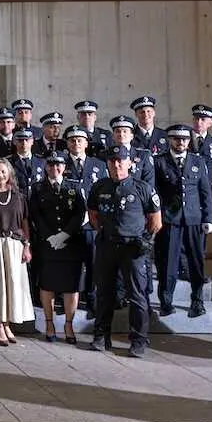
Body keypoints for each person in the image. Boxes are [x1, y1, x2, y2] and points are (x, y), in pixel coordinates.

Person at [87, 146, 162, 358]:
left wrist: (144, 240)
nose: (116, 165)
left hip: (133, 249)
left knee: (137, 296)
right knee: (104, 294)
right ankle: (102, 337)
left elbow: (156, 221)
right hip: (107, 246)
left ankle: (138, 340)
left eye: (121, 161)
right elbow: (93, 215)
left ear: (129, 163)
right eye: (112, 161)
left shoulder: (142, 188)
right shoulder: (99, 187)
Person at [154, 125, 212, 318]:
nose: (181, 143)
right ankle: (166, 302)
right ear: (169, 140)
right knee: (168, 263)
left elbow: (206, 192)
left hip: (194, 220)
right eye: (176, 139)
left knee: (196, 263)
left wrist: (208, 218)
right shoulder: (160, 162)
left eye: (185, 139)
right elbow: (155, 194)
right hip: (170, 221)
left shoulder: (198, 161)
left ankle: (197, 301)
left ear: (189, 141)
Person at [28, 152, 86, 344]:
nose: (54, 169)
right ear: (46, 167)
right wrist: (51, 237)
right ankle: (49, 324)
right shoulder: (37, 188)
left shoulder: (75, 187)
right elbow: (35, 215)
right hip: (47, 244)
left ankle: (68, 325)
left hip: (71, 244)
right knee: (48, 285)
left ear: (64, 167)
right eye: (51, 165)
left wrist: (65, 235)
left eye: (58, 165)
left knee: (71, 286)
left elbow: (80, 213)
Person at [63, 125, 106, 318]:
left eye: (80, 140)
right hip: (68, 223)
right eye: (72, 140)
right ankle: (67, 299)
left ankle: (92, 300)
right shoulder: (60, 163)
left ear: (86, 143)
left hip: (92, 224)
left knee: (94, 263)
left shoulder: (99, 164)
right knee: (70, 263)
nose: (76, 143)